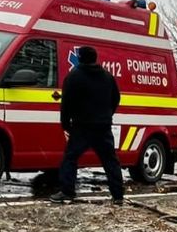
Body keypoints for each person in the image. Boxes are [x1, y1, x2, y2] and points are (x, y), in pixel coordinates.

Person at [50, 45, 125, 205]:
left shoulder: (74, 76)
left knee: (71, 158)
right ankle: (118, 195)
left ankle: (67, 191)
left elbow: (66, 104)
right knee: (110, 160)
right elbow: (116, 98)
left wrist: (65, 125)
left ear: (81, 58)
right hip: (103, 127)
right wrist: (107, 115)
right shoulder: (107, 77)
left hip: (82, 127)